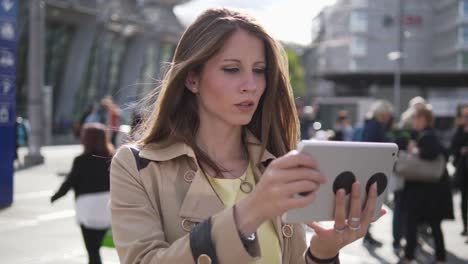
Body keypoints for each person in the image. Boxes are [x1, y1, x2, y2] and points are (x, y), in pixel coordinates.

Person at [110, 8, 384, 264]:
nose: (251, 86)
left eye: (259, 70)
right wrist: (249, 213)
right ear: (192, 79)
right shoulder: (137, 166)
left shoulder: (278, 163)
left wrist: (323, 253)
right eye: (231, 69)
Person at [51, 123, 114, 264]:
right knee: (97, 246)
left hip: (87, 208)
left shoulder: (80, 160)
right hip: (107, 206)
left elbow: (69, 182)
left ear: (87, 139)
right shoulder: (112, 158)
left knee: (92, 250)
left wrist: (55, 196)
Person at [402, 106, 453, 264]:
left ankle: (410, 256)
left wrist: (414, 150)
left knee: (413, 225)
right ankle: (439, 258)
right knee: (434, 226)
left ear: (423, 118)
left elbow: (429, 153)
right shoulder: (431, 134)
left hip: (424, 194)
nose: (413, 121)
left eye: (415, 118)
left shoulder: (428, 136)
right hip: (431, 193)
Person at [359, 100, 394, 248]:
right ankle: (366, 235)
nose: (388, 118)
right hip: (372, 169)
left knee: (369, 203)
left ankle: (366, 234)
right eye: (386, 115)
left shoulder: (370, 124)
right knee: (370, 202)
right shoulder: (375, 126)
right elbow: (375, 147)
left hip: (369, 167)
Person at [450, 106, 468, 238]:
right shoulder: (459, 131)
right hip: (463, 171)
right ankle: (465, 226)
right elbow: (453, 148)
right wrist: (460, 151)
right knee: (464, 200)